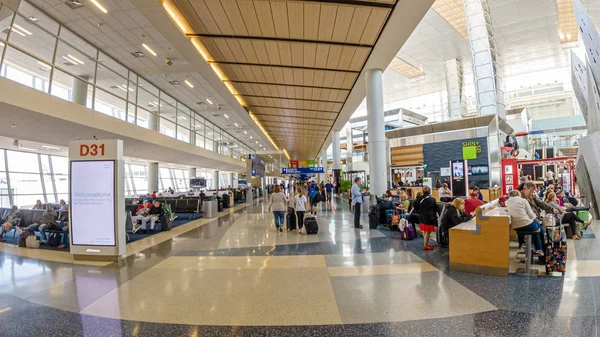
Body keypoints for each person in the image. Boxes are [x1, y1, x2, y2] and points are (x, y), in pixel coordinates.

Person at [506, 190, 545, 257]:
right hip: (527, 224)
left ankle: (538, 247)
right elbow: (530, 213)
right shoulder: (523, 201)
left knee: (536, 226)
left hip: (516, 226)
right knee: (538, 229)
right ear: (519, 195)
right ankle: (539, 249)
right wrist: (535, 218)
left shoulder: (507, 202)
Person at [418, 186, 439, 250]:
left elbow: (416, 206)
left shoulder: (420, 198)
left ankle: (426, 243)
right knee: (428, 231)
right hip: (429, 217)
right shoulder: (432, 199)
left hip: (422, 216)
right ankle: (425, 245)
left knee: (425, 231)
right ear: (429, 191)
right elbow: (435, 208)